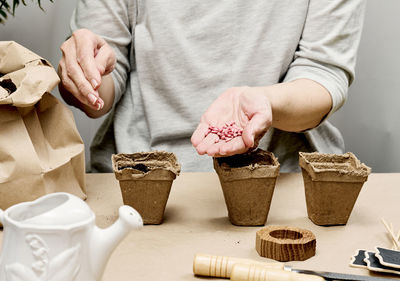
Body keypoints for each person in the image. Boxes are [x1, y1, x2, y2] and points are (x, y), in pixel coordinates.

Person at [58, 0, 366, 172]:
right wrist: (85, 76)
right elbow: (100, 90)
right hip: (139, 181)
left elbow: (323, 72)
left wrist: (266, 102)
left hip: (282, 182)